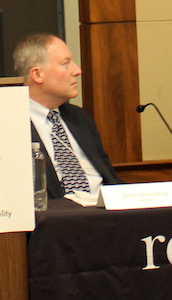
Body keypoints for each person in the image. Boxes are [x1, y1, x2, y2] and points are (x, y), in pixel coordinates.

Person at [13, 33, 124, 200]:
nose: (77, 70)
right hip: (57, 219)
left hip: (106, 215)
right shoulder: (12, 125)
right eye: (66, 64)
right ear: (37, 75)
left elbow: (111, 179)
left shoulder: (80, 118)